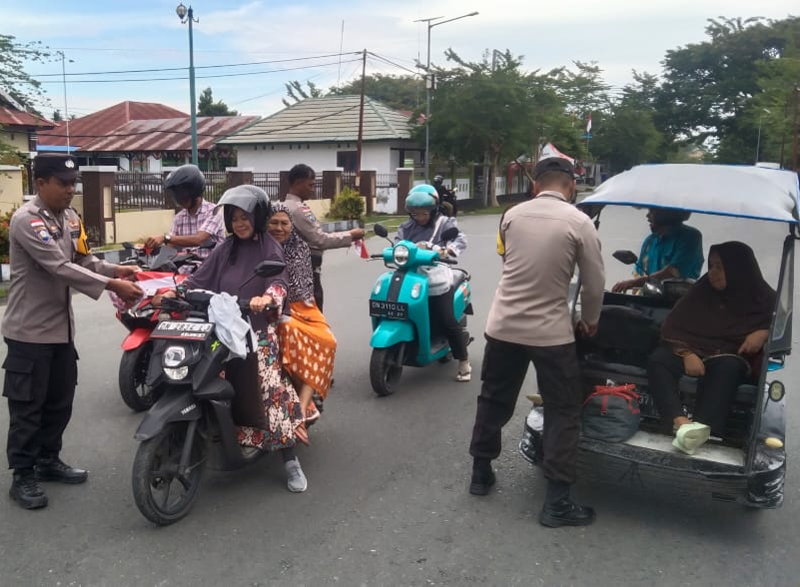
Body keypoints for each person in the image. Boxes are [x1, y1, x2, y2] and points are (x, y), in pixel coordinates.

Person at [468, 156, 605, 528]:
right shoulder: (580, 222)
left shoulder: (512, 215)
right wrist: (590, 321)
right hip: (550, 333)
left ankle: (481, 473)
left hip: (503, 325)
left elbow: (510, 263)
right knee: (563, 410)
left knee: (493, 396)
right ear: (572, 185)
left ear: (534, 185)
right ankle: (557, 502)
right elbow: (594, 285)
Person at [2, 153, 143, 510]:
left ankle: (48, 460)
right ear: (40, 184)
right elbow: (59, 267)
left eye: (73, 183)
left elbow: (83, 260)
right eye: (63, 183)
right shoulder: (27, 221)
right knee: (28, 409)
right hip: (29, 333)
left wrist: (118, 269)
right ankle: (23, 475)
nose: (70, 189)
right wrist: (112, 284)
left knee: (60, 402)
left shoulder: (70, 219)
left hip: (61, 332)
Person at [156, 185, 308, 492]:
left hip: (256, 332)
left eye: (245, 217)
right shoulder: (225, 248)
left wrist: (266, 298)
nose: (239, 223)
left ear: (258, 217)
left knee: (268, 391)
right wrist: (176, 292)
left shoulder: (268, 247)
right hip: (221, 329)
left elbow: (279, 282)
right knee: (197, 375)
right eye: (234, 217)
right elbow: (200, 278)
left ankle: (290, 461)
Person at [647, 241, 775, 453]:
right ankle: (680, 423)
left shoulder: (762, 297)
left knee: (728, 368)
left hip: (729, 353)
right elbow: (672, 325)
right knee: (659, 360)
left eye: (720, 268)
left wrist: (764, 332)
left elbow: (777, 323)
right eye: (711, 266)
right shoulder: (702, 290)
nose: (713, 273)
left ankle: (704, 432)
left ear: (737, 270)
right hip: (692, 347)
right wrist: (686, 353)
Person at [267, 204, 337, 446]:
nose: (278, 228)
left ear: (292, 226)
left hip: (298, 306)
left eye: (284, 223)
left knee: (325, 340)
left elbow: (299, 289)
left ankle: (304, 403)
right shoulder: (258, 247)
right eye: (273, 222)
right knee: (287, 332)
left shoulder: (300, 248)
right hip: (265, 306)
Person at [396, 184, 471, 381]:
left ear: (434, 209)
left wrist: (447, 250)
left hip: (437, 277)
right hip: (411, 276)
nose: (419, 217)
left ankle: (463, 362)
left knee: (447, 319)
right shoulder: (406, 227)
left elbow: (460, 240)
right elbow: (398, 243)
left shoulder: (445, 223)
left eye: (423, 213)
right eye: (415, 213)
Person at [282, 164, 365, 311]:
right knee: (314, 320)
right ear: (297, 183)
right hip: (306, 272)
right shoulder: (297, 209)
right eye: (310, 185)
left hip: (295, 272)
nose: (313, 189)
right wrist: (350, 235)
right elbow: (320, 239)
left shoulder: (287, 206)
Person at [144, 164, 226, 266]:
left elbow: (199, 239)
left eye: (182, 194)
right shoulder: (179, 218)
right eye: (176, 195)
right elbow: (171, 245)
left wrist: (165, 238)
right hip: (185, 271)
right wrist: (151, 250)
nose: (179, 199)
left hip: (211, 269)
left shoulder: (214, 211)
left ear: (195, 191)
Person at [612, 208, 703, 293]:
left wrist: (632, 283)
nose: (647, 216)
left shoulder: (690, 237)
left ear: (666, 213)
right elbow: (639, 276)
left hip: (676, 302)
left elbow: (672, 272)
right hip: (648, 302)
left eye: (652, 211)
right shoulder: (650, 241)